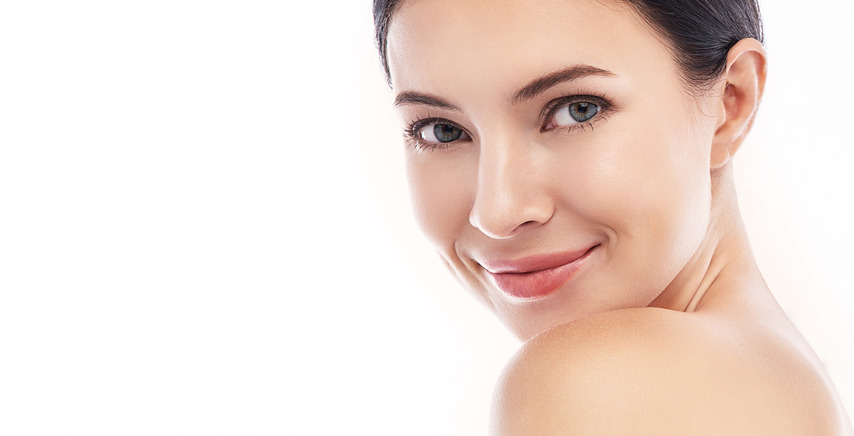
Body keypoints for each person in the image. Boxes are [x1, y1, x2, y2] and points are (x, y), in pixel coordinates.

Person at [373, 0, 853, 433]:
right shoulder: (787, 385)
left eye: (576, 110)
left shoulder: (598, 380)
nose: (497, 213)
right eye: (441, 131)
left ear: (730, 102)